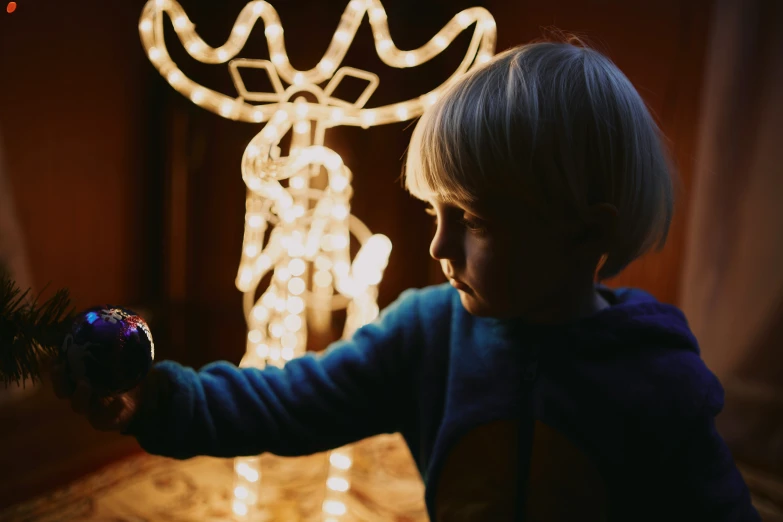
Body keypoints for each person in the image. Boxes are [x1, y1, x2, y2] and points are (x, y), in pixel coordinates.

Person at [51, 40, 761, 521]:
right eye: (434, 211)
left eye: (474, 220)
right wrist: (155, 399)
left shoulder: (655, 380)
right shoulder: (426, 333)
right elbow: (286, 400)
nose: (438, 245)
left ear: (587, 232)